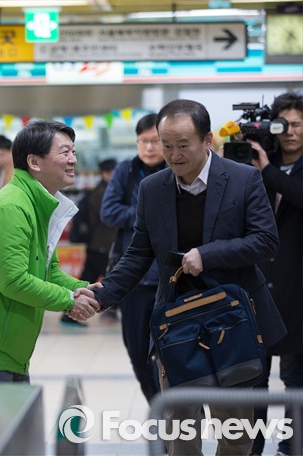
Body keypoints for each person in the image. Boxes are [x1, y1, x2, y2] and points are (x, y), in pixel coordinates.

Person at [89, 99, 285, 455]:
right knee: (179, 431)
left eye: (183, 145)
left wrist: (207, 256)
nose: (173, 155)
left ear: (207, 140)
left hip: (232, 321)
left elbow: (265, 240)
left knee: (236, 432)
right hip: (177, 323)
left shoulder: (243, 179)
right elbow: (139, 253)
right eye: (166, 145)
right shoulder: (152, 188)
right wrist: (102, 295)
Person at [0, 120, 101, 383]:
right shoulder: (11, 208)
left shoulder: (36, 205)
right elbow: (14, 281)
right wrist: (69, 301)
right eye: (64, 152)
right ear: (34, 162)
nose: (73, 160)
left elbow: (49, 272)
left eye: (73, 152)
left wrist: (86, 290)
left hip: (8, 347)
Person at [248, 91, 303, 456]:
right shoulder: (253, 167)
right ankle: (251, 446)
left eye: (297, 124)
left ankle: (293, 445)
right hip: (258, 287)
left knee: (296, 378)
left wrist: (268, 171)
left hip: (298, 288)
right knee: (253, 379)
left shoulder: (267, 169)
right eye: (283, 125)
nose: (290, 132)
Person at [98, 113, 167, 403]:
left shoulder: (177, 168)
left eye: (155, 141)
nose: (149, 147)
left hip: (171, 280)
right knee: (138, 354)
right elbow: (108, 212)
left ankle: (178, 415)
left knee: (174, 353)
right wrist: (148, 214)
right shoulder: (126, 171)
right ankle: (158, 406)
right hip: (134, 279)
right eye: (143, 141)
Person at [60, 158, 117, 327]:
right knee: (106, 278)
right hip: (101, 245)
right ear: (106, 174)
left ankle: (70, 313)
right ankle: (109, 310)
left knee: (91, 278)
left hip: (99, 244)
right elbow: (108, 219)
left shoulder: (102, 191)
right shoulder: (102, 193)